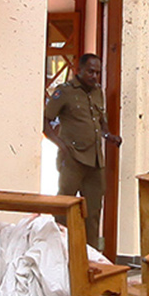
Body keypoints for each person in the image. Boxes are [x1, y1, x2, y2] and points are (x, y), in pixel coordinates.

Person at [42, 52, 116, 252]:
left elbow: (101, 123)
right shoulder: (64, 92)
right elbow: (45, 120)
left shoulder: (98, 92)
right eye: (90, 71)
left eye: (97, 73)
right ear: (79, 70)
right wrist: (60, 144)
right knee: (64, 209)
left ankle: (90, 257)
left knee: (93, 213)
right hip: (72, 159)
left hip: (95, 161)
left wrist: (109, 136)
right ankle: (58, 253)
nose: (94, 76)